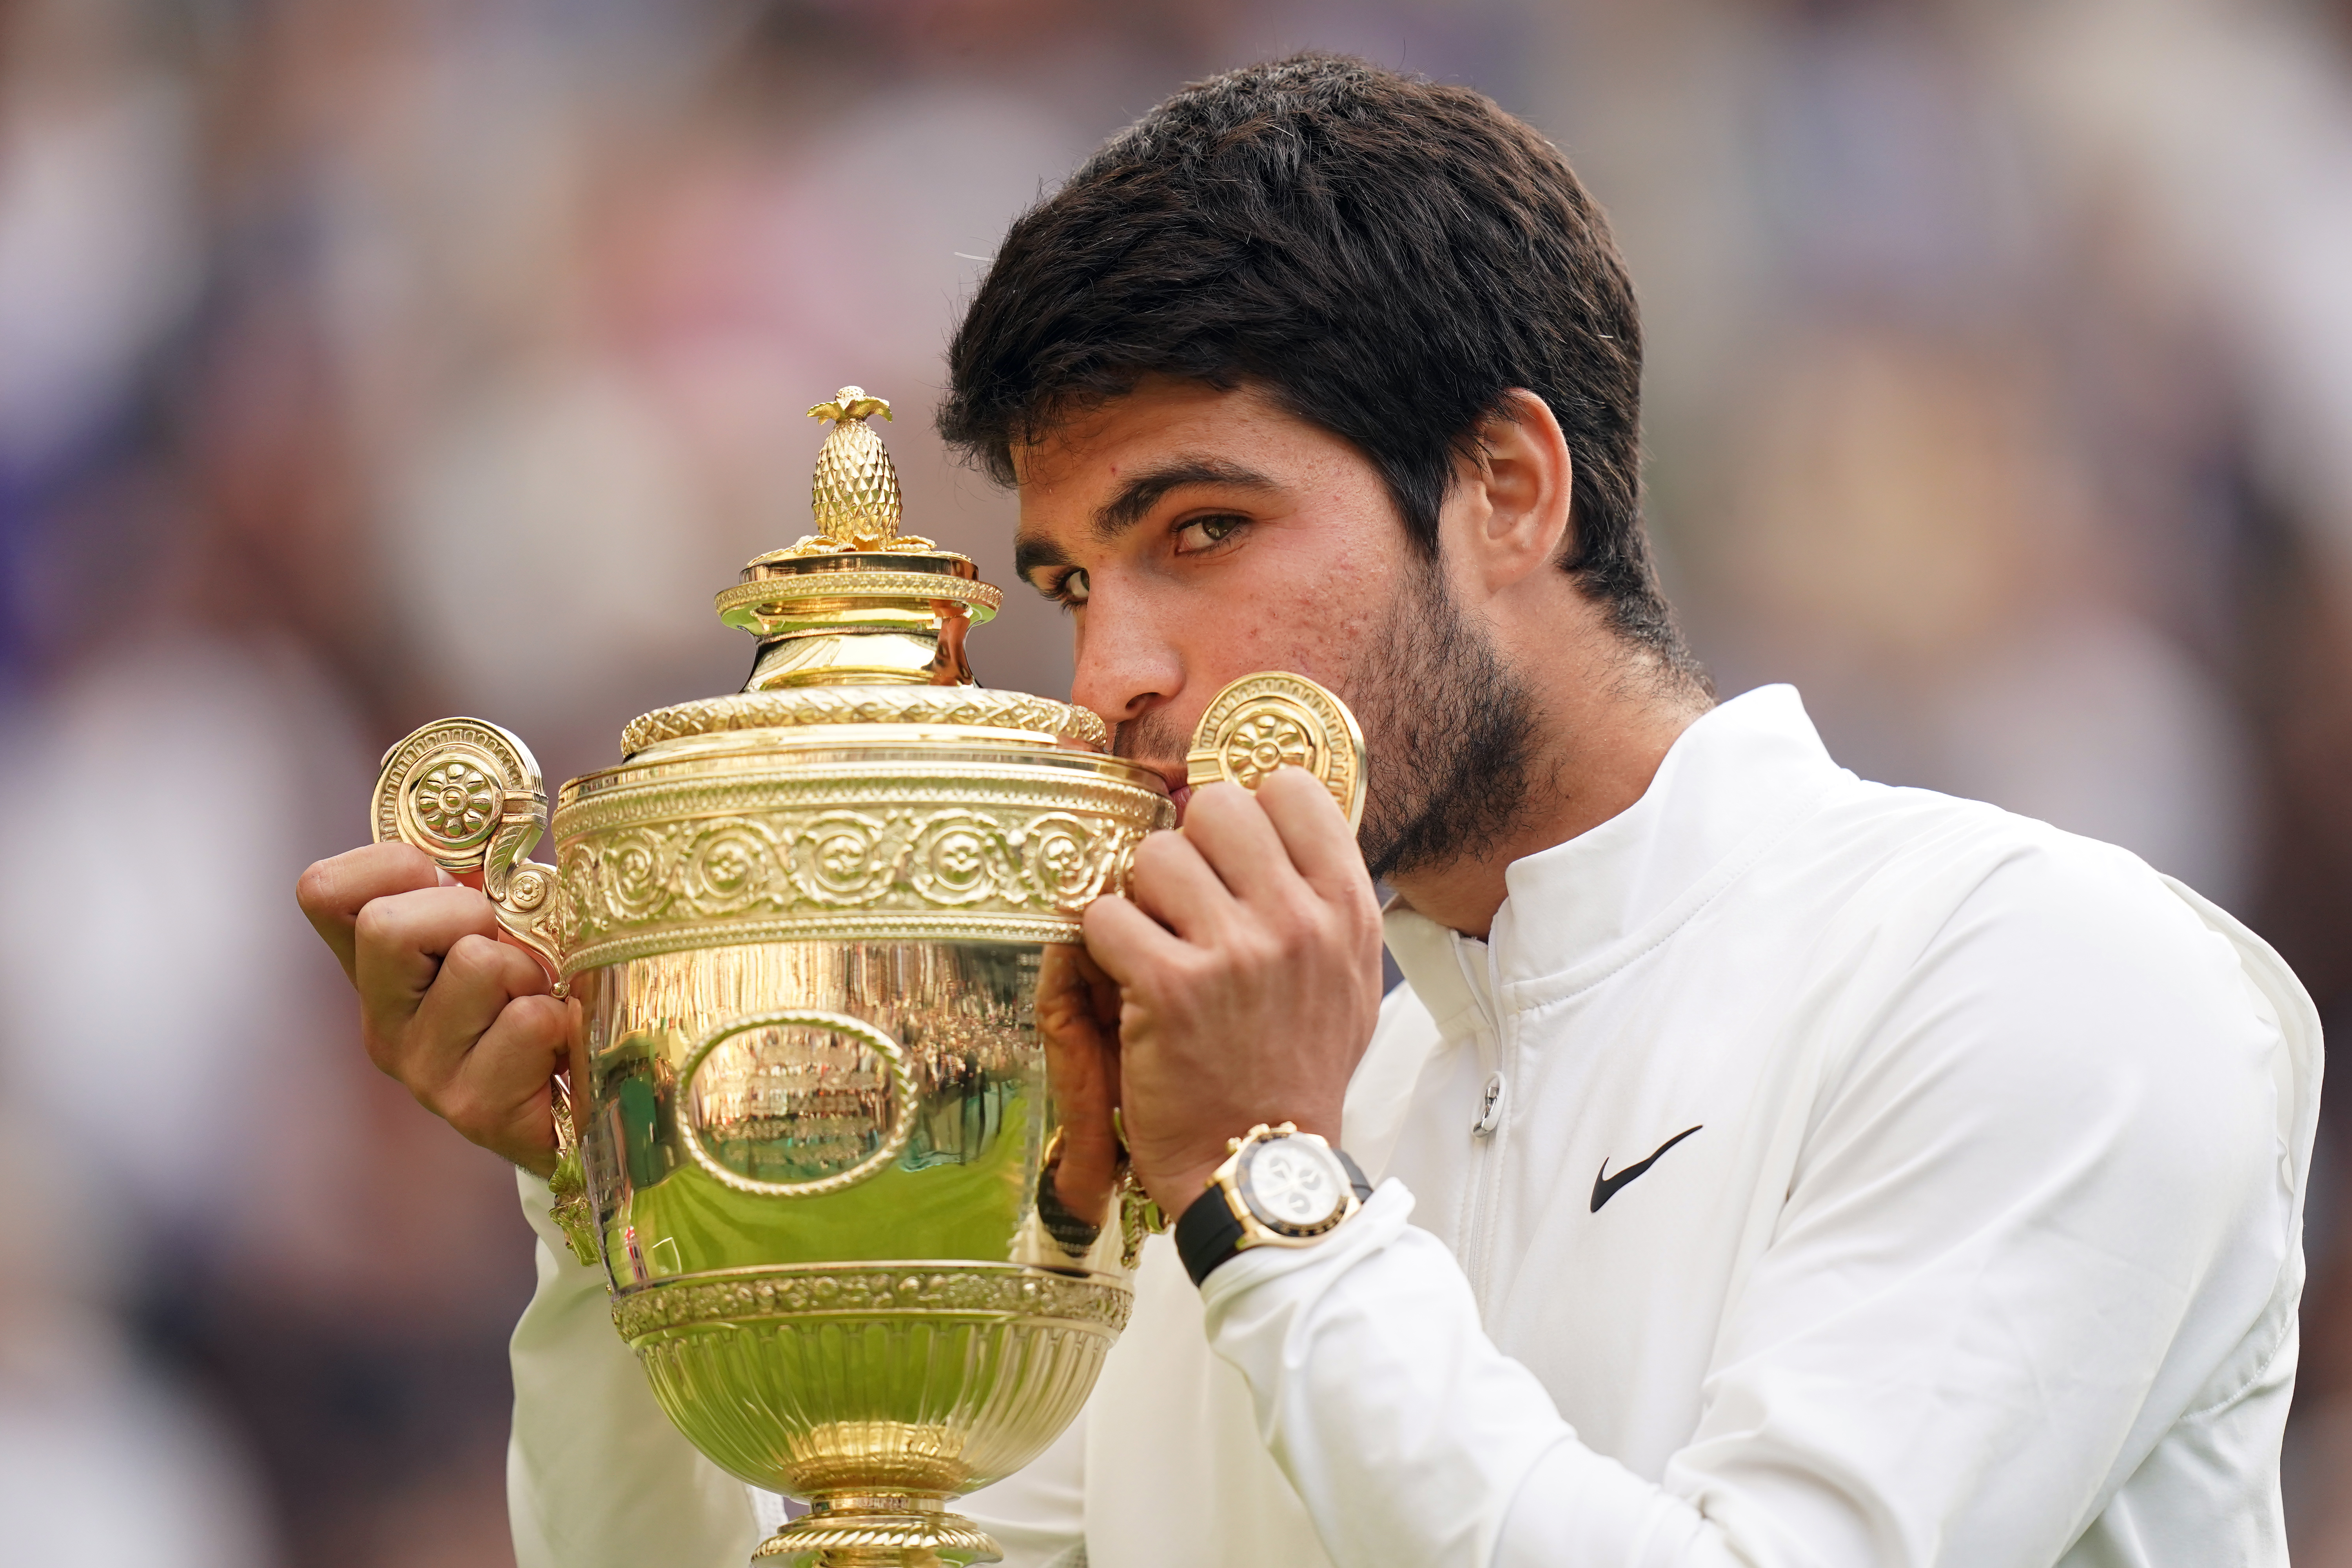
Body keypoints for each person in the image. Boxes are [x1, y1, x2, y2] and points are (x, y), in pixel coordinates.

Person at [297, 55, 2318, 1568]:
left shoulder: (2044, 975)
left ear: (1508, 491)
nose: (1109, 677)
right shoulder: (1239, 1098)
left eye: (1202, 529)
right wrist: (621, 1206)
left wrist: (1271, 1189)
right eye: (1075, 581)